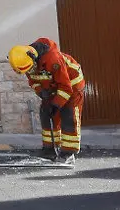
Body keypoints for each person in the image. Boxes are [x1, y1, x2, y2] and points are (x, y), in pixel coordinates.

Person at [8, 37, 85, 165]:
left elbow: (65, 87)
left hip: (72, 85)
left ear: (33, 57)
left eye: (31, 68)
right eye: (28, 71)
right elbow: (33, 82)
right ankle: (49, 150)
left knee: (68, 115)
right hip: (51, 87)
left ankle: (68, 153)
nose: (30, 72)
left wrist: (56, 105)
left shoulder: (53, 60)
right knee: (46, 114)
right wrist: (40, 91)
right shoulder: (25, 62)